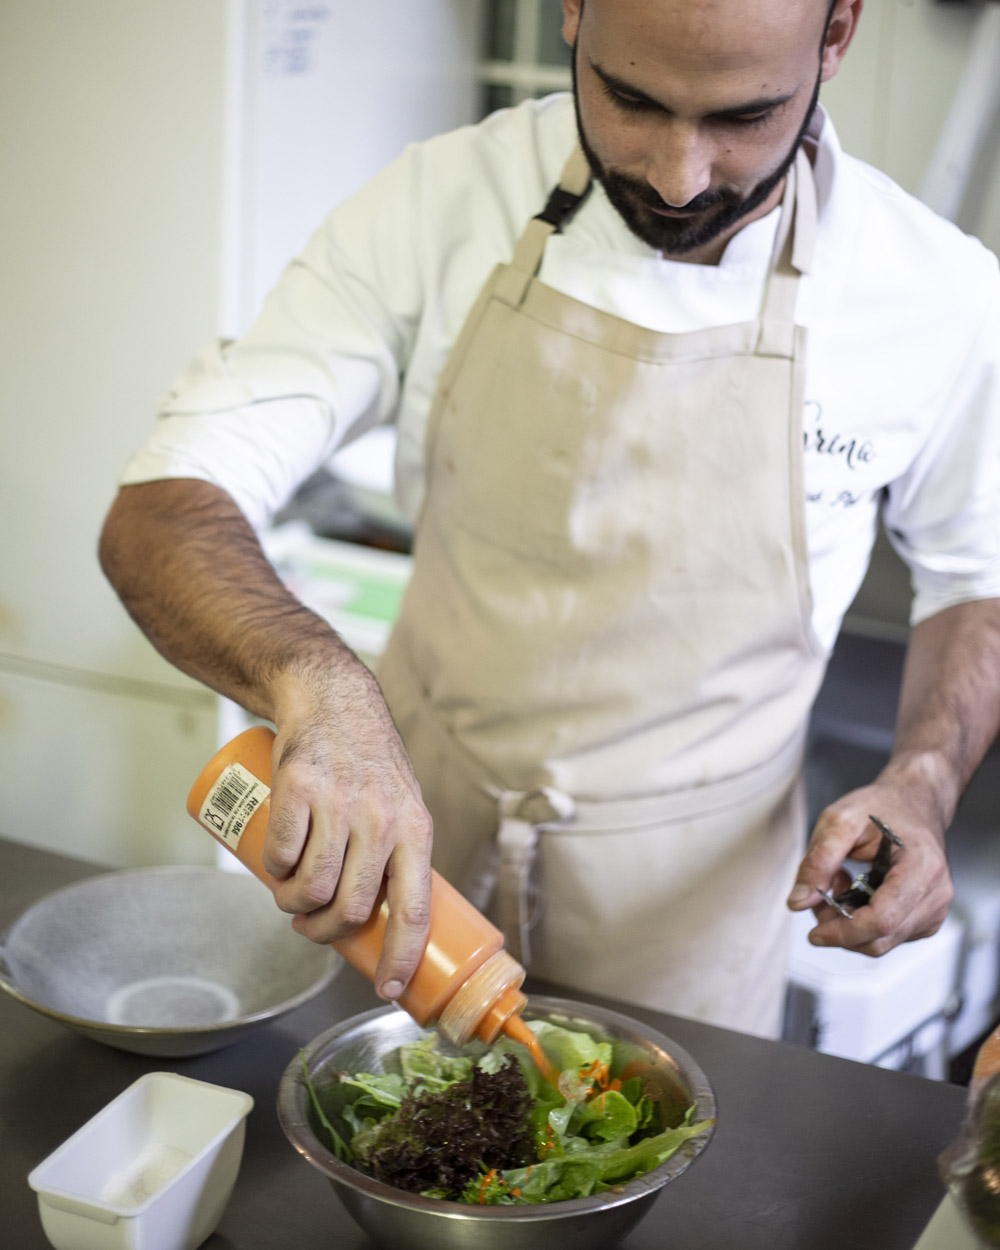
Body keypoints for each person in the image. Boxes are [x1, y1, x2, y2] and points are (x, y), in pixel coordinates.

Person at [99, 0, 1000, 1038]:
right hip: (405, 880)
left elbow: (977, 573)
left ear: (837, 33)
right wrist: (319, 686)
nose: (678, 175)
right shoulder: (440, 200)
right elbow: (163, 504)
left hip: (693, 918)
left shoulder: (938, 295)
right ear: (570, 9)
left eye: (743, 117)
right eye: (630, 100)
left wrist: (924, 780)